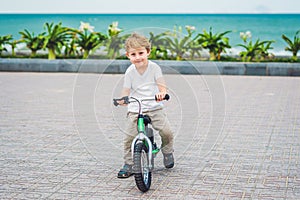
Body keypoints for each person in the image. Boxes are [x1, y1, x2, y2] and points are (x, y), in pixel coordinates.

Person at [116, 33, 174, 178]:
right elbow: (126, 89)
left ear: (148, 52)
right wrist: (123, 99)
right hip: (136, 108)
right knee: (129, 137)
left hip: (154, 106)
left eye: (141, 53)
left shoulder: (154, 68)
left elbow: (161, 85)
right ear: (128, 56)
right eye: (133, 54)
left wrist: (162, 93)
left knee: (167, 132)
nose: (138, 57)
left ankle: (167, 152)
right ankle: (129, 164)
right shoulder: (130, 71)